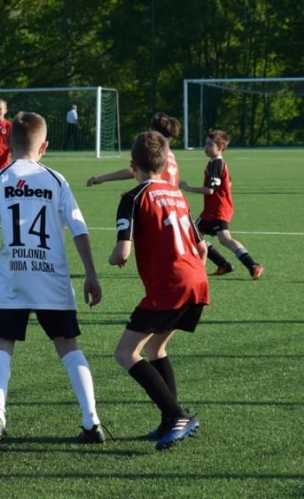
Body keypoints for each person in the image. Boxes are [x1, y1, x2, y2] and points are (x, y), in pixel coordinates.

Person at [0, 111, 106, 451]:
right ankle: (92, 420)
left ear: (6, 142)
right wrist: (91, 274)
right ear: (44, 146)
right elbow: (79, 228)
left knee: (2, 343)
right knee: (68, 345)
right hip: (52, 275)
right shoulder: (56, 180)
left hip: (13, 274)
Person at [109, 131, 208, 450]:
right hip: (196, 279)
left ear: (132, 164)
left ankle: (177, 415)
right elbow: (202, 247)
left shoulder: (133, 198)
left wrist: (115, 257)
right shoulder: (178, 195)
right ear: (165, 164)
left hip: (170, 285)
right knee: (155, 350)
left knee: (126, 353)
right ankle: (169, 420)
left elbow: (122, 251)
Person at [180, 130, 264, 279]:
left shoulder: (216, 164)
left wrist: (187, 188)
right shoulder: (216, 163)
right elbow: (228, 182)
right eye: (205, 144)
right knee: (192, 235)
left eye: (210, 144)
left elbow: (210, 190)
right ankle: (223, 264)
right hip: (212, 209)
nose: (206, 147)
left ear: (220, 147)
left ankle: (252, 265)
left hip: (217, 210)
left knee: (223, 238)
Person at [87, 112, 181, 187]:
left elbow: (134, 171)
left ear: (153, 132)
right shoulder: (169, 154)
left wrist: (102, 178)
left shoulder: (157, 154)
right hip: (171, 202)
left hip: (159, 202)